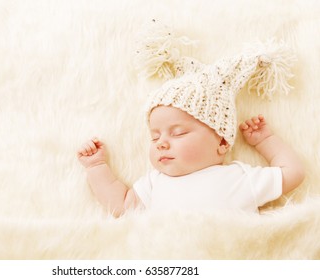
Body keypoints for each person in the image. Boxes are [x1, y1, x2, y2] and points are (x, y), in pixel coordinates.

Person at [77, 26, 305, 217]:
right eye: (155, 136)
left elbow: (292, 172)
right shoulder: (156, 183)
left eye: (178, 133)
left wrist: (266, 141)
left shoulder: (239, 178)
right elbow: (121, 206)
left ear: (222, 143)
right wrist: (97, 167)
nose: (161, 143)